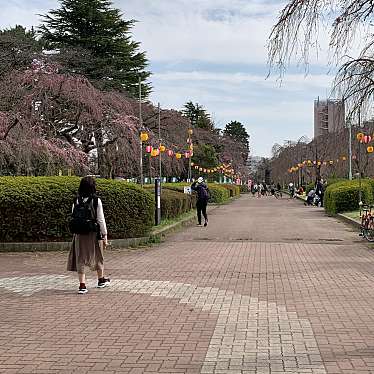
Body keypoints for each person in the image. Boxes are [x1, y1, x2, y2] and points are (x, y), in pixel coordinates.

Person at [67, 176, 110, 294]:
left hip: (79, 234)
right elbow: (101, 219)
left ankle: (82, 285)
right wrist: (105, 235)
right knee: (98, 255)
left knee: (80, 258)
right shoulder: (96, 200)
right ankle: (101, 279)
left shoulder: (76, 200)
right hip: (93, 233)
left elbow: (73, 215)